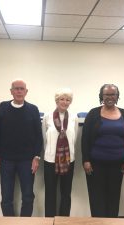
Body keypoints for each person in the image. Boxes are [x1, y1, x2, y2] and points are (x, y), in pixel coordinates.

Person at [81, 84, 124, 218]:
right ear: (101, 96)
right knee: (96, 197)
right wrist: (86, 160)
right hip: (95, 164)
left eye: (113, 94)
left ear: (117, 96)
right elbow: (85, 139)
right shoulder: (93, 113)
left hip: (118, 165)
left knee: (113, 196)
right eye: (107, 95)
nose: (110, 97)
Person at [0, 79, 42, 217]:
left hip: (27, 160)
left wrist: (36, 157)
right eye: (16, 88)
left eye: (22, 89)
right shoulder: (2, 107)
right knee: (6, 197)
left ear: (26, 91)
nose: (19, 91)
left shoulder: (33, 109)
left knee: (28, 196)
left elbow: (38, 135)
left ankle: (24, 222)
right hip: (6, 159)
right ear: (11, 91)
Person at [42, 88, 78, 217]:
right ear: (57, 100)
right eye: (62, 99)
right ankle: (49, 219)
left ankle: (64, 220)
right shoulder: (47, 116)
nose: (65, 102)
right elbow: (44, 139)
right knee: (50, 192)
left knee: (66, 193)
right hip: (50, 160)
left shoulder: (74, 117)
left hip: (68, 160)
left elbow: (75, 139)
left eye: (68, 99)